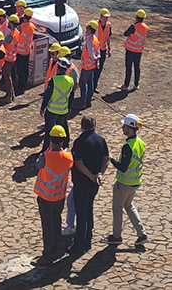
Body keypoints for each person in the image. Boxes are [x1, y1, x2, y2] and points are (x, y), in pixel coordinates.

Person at [104, 113, 149, 246]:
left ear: (130, 128)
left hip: (124, 184)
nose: (122, 128)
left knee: (117, 208)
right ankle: (141, 234)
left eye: (124, 126)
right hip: (135, 183)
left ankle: (116, 236)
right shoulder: (140, 143)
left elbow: (122, 167)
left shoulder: (128, 147)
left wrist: (111, 159)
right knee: (129, 206)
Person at [33, 125, 74, 265]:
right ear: (62, 141)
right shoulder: (68, 157)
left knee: (47, 226)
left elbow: (38, 165)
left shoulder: (45, 156)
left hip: (45, 197)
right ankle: (56, 246)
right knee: (56, 221)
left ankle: (47, 255)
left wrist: (48, 149)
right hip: (59, 197)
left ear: (50, 140)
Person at [68, 115, 108, 256]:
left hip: (82, 183)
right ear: (94, 126)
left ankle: (79, 244)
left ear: (82, 126)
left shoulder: (79, 142)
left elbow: (79, 164)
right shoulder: (101, 140)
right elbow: (106, 159)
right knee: (89, 210)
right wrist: (99, 174)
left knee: (81, 213)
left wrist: (91, 176)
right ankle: (88, 240)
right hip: (94, 184)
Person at [40, 55, 76, 150]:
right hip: (63, 110)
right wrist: (69, 108)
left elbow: (47, 96)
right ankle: (65, 146)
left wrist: (42, 107)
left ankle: (46, 149)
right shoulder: (71, 81)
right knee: (63, 129)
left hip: (52, 110)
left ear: (58, 68)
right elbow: (71, 97)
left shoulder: (53, 80)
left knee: (49, 131)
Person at [119, 10, 149, 91]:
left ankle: (126, 85)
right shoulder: (145, 27)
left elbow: (125, 33)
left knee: (129, 67)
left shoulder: (133, 27)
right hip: (139, 51)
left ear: (136, 17)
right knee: (137, 67)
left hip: (130, 50)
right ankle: (136, 84)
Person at [12, 4, 35, 95]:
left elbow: (15, 36)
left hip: (20, 52)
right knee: (25, 70)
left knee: (19, 71)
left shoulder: (20, 27)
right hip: (27, 51)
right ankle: (23, 86)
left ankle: (19, 87)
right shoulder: (32, 26)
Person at [78, 21, 100, 109]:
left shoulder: (89, 41)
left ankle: (83, 102)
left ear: (90, 30)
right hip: (92, 66)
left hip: (87, 67)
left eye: (87, 28)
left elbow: (91, 54)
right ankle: (88, 101)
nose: (86, 29)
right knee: (90, 84)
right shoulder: (95, 39)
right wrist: (97, 58)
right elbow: (98, 51)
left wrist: (94, 58)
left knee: (82, 84)